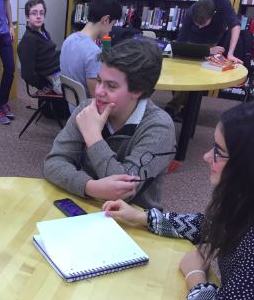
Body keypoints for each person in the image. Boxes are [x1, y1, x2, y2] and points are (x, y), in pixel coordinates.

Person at [102, 102, 254, 300]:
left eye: (219, 152)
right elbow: (208, 226)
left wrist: (195, 276)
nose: (207, 157)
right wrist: (143, 217)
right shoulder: (244, 201)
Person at [44, 39, 176, 210]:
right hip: (85, 204)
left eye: (111, 86)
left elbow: (126, 193)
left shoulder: (160, 127)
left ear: (137, 91)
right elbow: (53, 162)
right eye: (99, 81)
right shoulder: (88, 109)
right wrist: (90, 187)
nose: (98, 91)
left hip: (134, 221)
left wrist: (93, 138)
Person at [165, 0, 242, 119]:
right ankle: (181, 105)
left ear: (213, 15)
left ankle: (175, 107)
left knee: (197, 74)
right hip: (193, 42)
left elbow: (235, 25)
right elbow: (181, 42)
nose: (200, 27)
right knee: (183, 72)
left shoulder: (222, 3)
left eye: (203, 24)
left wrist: (231, 53)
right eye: (197, 24)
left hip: (212, 43)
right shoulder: (191, 11)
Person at [60, 0, 121, 109]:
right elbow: (97, 98)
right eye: (113, 23)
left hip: (71, 105)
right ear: (106, 19)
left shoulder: (68, 40)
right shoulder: (93, 53)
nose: (111, 29)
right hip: (86, 112)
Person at [17, 0, 61, 94]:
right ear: (27, 17)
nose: (38, 16)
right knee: (82, 88)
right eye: (34, 13)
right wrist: (43, 86)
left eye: (41, 13)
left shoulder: (43, 32)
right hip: (55, 79)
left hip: (61, 70)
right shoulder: (28, 40)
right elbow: (27, 74)